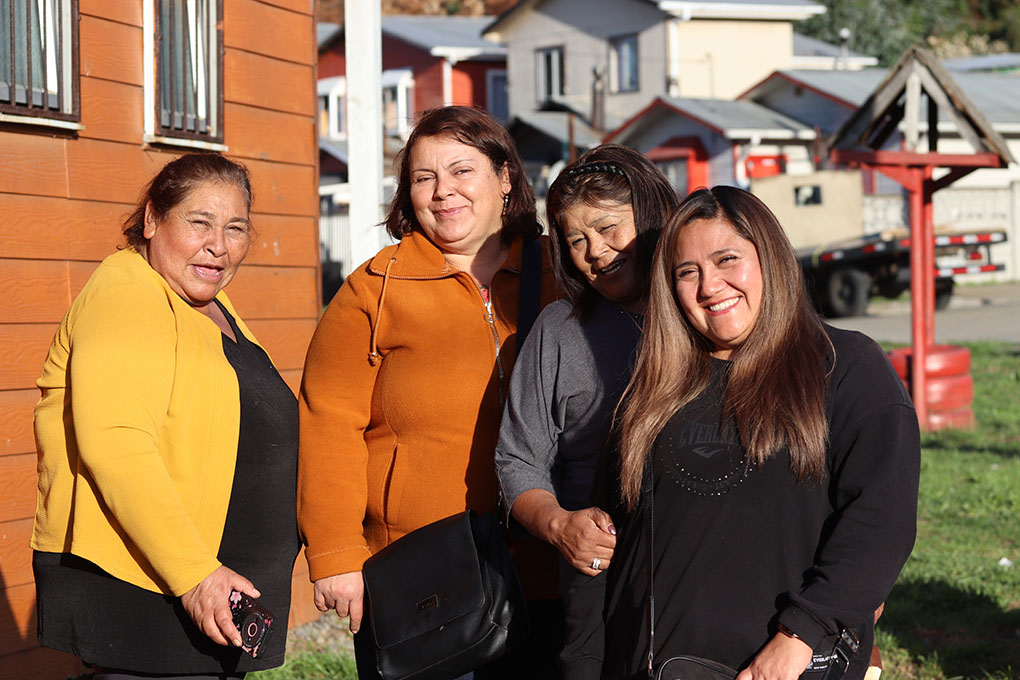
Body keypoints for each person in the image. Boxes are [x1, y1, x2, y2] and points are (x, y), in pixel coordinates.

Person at [567, 186, 920, 680]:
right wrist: (581, 666)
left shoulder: (845, 367)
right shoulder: (653, 391)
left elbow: (880, 523)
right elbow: (603, 548)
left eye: (727, 259)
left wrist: (799, 637)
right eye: (686, 272)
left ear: (770, 259)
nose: (709, 285)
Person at [297, 106, 560, 679]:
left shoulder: (561, 277)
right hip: (422, 576)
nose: (444, 193)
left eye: (462, 171)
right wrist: (336, 554)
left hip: (548, 565)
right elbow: (327, 423)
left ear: (505, 178)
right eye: (424, 178)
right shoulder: (373, 290)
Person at [31, 154, 300, 678]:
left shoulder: (209, 307)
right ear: (153, 220)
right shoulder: (128, 294)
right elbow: (115, 443)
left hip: (210, 596)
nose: (218, 245)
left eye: (235, 228)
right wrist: (196, 575)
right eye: (199, 222)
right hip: (151, 592)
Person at [494, 145, 679, 581]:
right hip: (602, 587)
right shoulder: (560, 330)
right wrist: (560, 525)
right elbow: (516, 460)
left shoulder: (708, 308)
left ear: (650, 212)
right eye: (577, 240)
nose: (596, 250)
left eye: (608, 226)